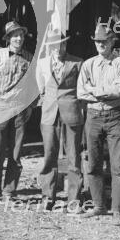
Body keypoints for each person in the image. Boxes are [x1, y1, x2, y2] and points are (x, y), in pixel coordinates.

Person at [77, 24, 120, 226]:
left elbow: (117, 91)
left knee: (118, 166)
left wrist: (94, 89)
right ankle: (99, 205)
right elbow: (81, 92)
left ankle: (117, 210)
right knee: (93, 163)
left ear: (112, 42)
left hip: (115, 116)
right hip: (93, 116)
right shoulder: (88, 64)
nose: (100, 44)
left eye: (104, 41)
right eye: (97, 41)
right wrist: (102, 90)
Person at [0, 21, 34, 204]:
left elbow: (33, 87)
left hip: (19, 110)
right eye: (14, 35)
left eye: (21, 35)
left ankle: (9, 191)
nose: (18, 38)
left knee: (15, 153)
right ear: (8, 38)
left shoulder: (28, 57)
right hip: (0, 108)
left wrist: (30, 108)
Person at [36, 29, 84, 211]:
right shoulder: (41, 64)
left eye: (60, 44)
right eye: (53, 45)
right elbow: (42, 89)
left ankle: (74, 200)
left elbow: (81, 89)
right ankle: (47, 197)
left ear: (65, 44)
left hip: (71, 113)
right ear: (49, 47)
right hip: (49, 114)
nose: (57, 48)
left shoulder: (77, 63)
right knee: (49, 155)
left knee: (73, 156)